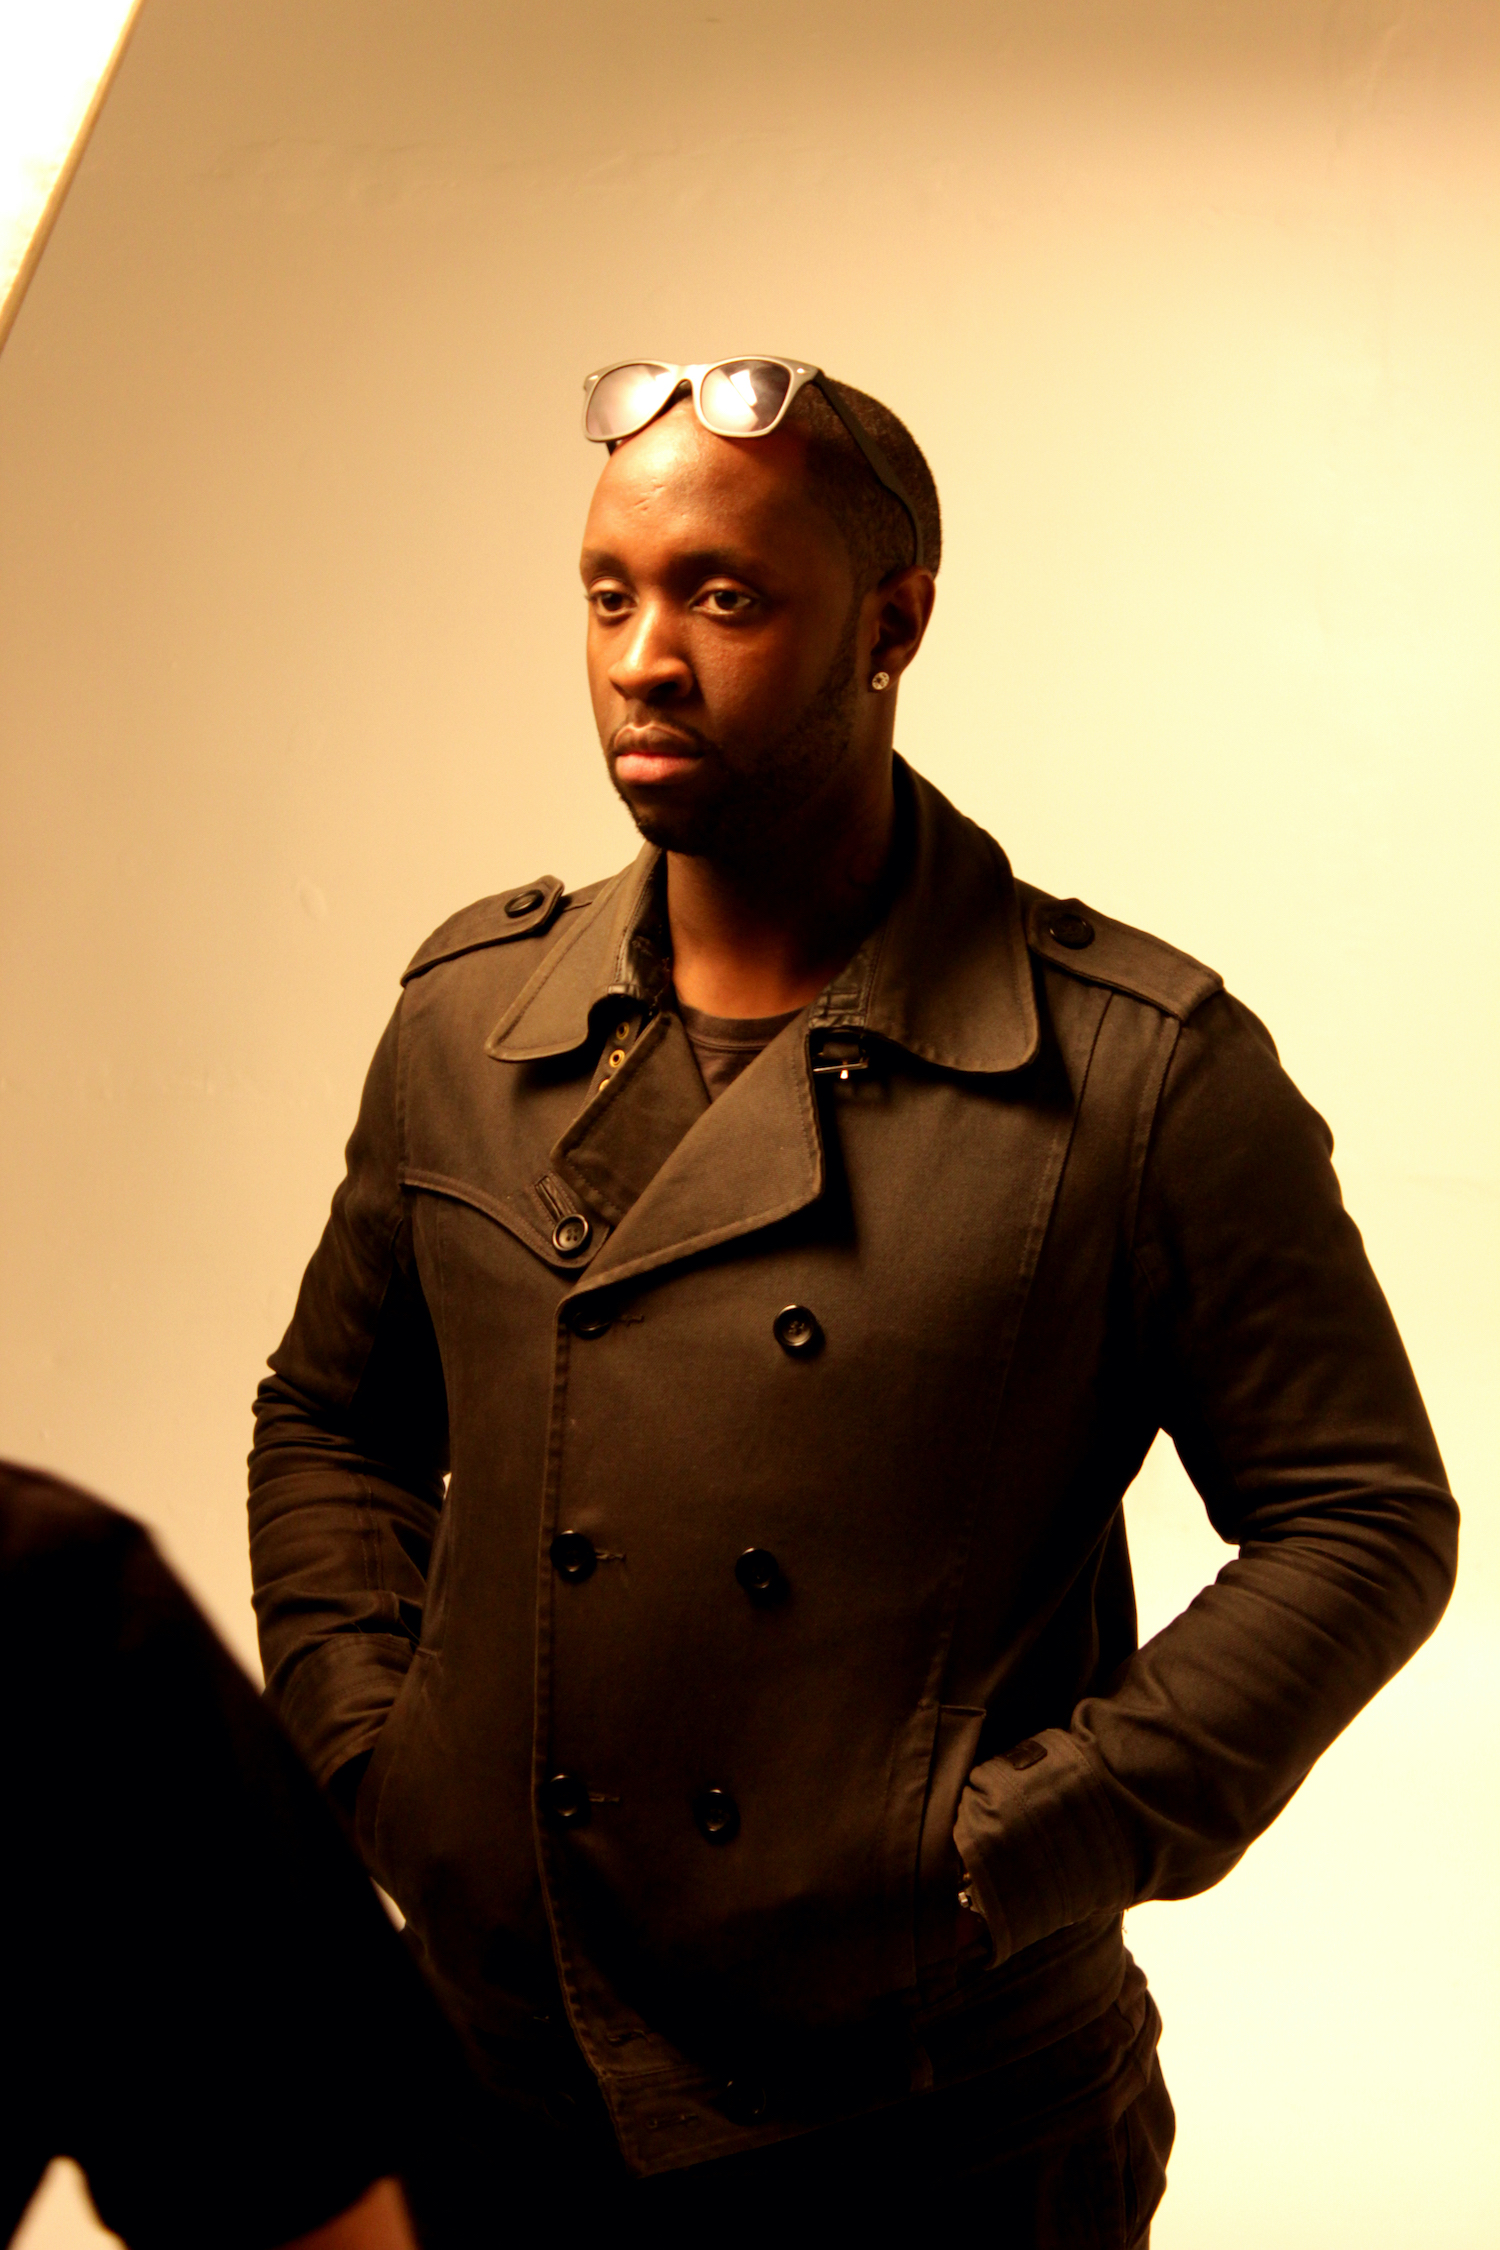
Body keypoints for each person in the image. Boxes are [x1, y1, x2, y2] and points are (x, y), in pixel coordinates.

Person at [247, 357, 1457, 2244]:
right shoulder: (466, 1023)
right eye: (609, 592)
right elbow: (332, 1413)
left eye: (725, 596)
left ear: (893, 625)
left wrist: (1008, 1850)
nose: (647, 655)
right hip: (495, 2084)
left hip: (934, 2128)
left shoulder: (1136, 1073)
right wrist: (371, 1755)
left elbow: (1364, 1519)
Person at [0, 1460, 468, 2250]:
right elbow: (332, 1421)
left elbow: (295, 2183)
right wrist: (363, 1752)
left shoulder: (49, 1599)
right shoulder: (53, 1588)